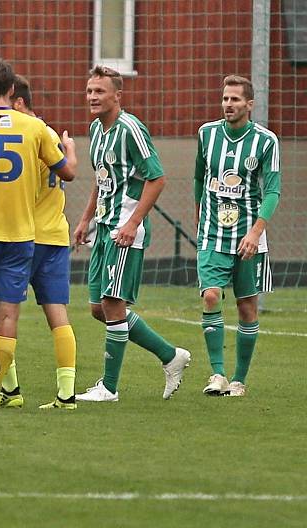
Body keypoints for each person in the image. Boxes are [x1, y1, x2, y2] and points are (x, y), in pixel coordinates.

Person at [0, 60, 77, 408]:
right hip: (22, 234)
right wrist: (69, 153)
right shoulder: (36, 129)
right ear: (12, 91)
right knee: (8, 314)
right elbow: (66, 173)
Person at [73, 65, 191, 403]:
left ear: (117, 95)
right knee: (99, 308)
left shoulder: (130, 129)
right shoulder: (96, 130)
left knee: (112, 303)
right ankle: (171, 355)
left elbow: (157, 178)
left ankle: (109, 388)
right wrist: (85, 220)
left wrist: (133, 222)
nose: (92, 97)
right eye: (90, 90)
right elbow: (102, 180)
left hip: (125, 232)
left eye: (99, 91)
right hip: (104, 227)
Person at [195, 75, 279, 397]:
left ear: (249, 104)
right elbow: (198, 179)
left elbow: (272, 190)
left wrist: (256, 232)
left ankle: (239, 380)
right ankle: (217, 374)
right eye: (225, 98)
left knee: (247, 308)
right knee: (211, 296)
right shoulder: (207, 134)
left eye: (235, 99)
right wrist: (199, 219)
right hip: (213, 232)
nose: (228, 104)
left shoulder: (265, 141)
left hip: (249, 235)